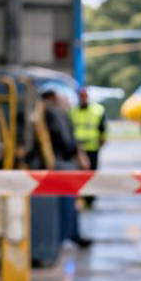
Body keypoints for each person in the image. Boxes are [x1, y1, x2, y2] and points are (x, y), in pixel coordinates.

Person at [39, 88, 92, 248]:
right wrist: (78, 154)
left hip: (58, 162)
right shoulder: (55, 113)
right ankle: (67, 236)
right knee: (68, 202)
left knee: (68, 202)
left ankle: (69, 235)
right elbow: (66, 141)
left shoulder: (47, 112)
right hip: (62, 163)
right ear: (54, 97)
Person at [70, 88, 107, 207]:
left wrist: (101, 143)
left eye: (85, 96)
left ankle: (90, 198)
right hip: (77, 149)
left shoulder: (98, 110)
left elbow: (103, 129)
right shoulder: (73, 111)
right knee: (77, 175)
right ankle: (79, 197)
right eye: (81, 96)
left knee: (91, 174)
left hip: (92, 147)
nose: (83, 98)